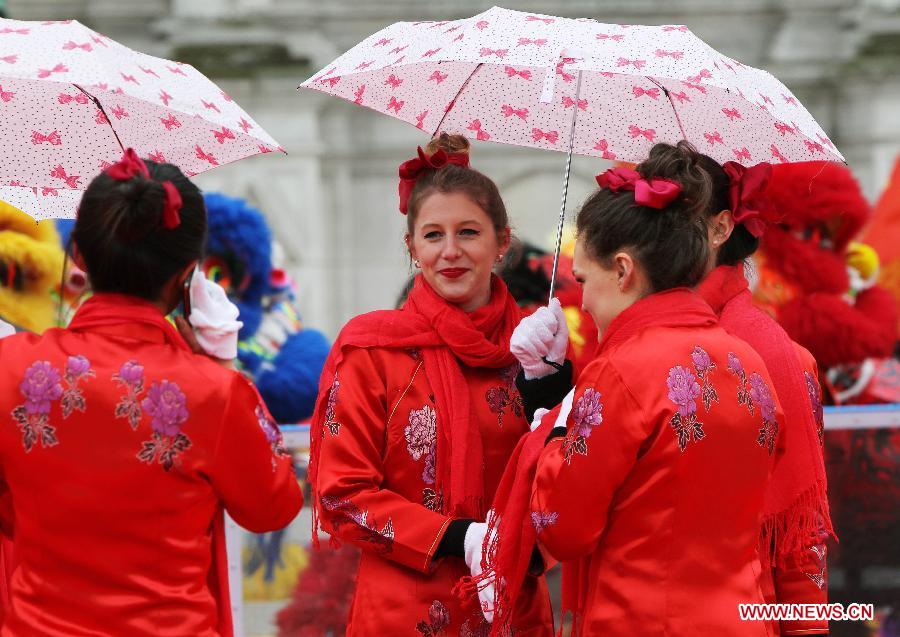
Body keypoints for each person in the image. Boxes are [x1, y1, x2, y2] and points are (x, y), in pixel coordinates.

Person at [484, 141, 783, 636]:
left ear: (622, 270)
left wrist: (550, 425)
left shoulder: (620, 371)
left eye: (583, 279)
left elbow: (562, 525)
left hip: (641, 620)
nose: (583, 300)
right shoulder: (747, 361)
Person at [0, 149, 302, 637]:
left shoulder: (8, 368)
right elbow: (273, 507)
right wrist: (224, 368)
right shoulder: (214, 391)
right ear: (188, 277)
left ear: (78, 256)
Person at [309, 133, 554, 636]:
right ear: (411, 247)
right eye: (433, 235)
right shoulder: (372, 350)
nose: (450, 252)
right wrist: (454, 537)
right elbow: (340, 494)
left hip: (511, 610)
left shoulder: (531, 349)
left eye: (468, 232)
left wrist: (551, 388)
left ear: (501, 242)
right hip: (405, 612)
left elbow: (569, 489)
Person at [697, 156, 834, 636]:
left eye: (669, 222)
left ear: (719, 229)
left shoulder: (785, 360)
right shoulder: (630, 339)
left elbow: (801, 539)